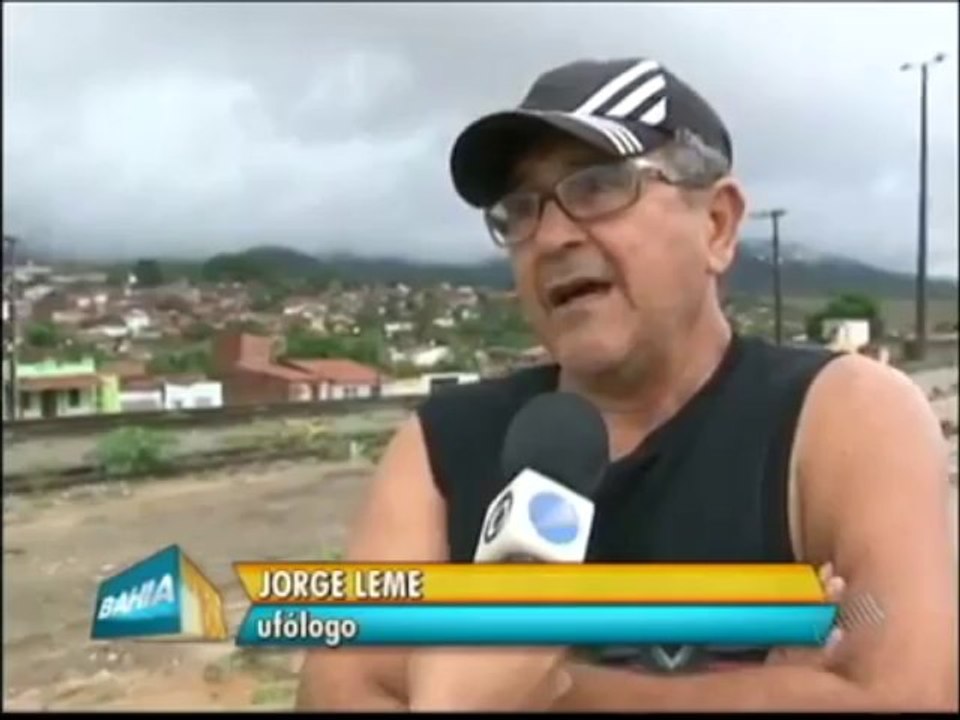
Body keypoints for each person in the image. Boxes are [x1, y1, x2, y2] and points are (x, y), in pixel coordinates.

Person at [297, 57, 958, 711]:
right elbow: (339, 691)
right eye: (519, 210)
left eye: (599, 187)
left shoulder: (844, 414)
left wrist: (516, 689)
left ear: (718, 225)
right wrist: (777, 693)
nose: (551, 235)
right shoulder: (441, 444)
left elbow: (909, 697)